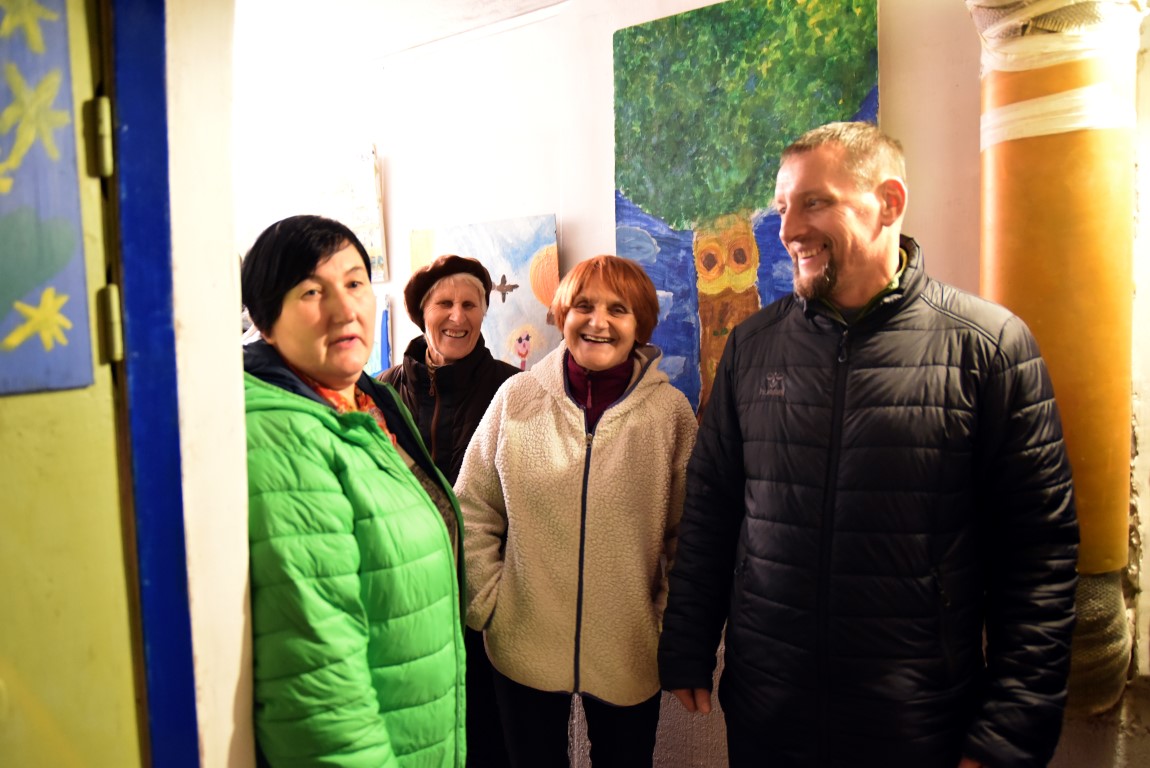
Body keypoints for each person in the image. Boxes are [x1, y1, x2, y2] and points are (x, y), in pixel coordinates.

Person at [657, 122, 1079, 768]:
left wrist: (1012, 728)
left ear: (888, 202)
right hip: (769, 712)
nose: (788, 229)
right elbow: (712, 504)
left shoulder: (989, 348)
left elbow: (1038, 555)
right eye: (782, 207)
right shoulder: (752, 346)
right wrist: (688, 639)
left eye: (814, 202)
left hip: (917, 722)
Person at [456, 255, 698, 768]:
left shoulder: (670, 414)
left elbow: (690, 538)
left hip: (629, 652)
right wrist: (489, 604)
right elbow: (473, 506)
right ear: (563, 314)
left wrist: (661, 625)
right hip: (522, 646)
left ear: (641, 324)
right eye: (583, 306)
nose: (598, 322)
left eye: (618, 309)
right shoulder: (516, 398)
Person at [242, 215, 466, 767]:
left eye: (354, 282)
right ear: (265, 320)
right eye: (311, 291)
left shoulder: (366, 399)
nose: (345, 310)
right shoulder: (284, 436)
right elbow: (319, 678)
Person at [379, 253, 519, 767]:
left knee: (490, 739)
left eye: (470, 304)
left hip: (486, 601)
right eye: (444, 303)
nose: (458, 317)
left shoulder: (512, 390)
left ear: (484, 311)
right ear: (422, 312)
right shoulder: (380, 394)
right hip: (408, 598)